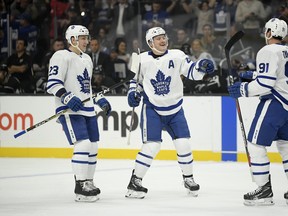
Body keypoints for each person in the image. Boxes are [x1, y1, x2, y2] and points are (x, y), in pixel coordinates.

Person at [125, 27, 215, 199]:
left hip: (175, 109)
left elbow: (192, 73)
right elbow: (134, 82)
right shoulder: (140, 59)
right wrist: (132, 93)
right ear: (150, 43)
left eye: (163, 37)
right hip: (152, 109)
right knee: (152, 146)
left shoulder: (178, 55)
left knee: (184, 145)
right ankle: (135, 181)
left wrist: (201, 67)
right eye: (157, 38)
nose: (162, 40)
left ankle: (188, 179)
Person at [46, 25, 111, 202]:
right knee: (82, 144)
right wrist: (66, 97)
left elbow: (87, 88)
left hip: (87, 109)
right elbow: (52, 84)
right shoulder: (60, 56)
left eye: (87, 38)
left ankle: (88, 182)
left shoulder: (88, 59)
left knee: (93, 146)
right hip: (69, 110)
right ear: (73, 39)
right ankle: (80, 185)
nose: (86, 41)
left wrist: (98, 99)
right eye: (83, 38)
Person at [227, 18, 288, 206]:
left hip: (274, 103)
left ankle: (264, 190)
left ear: (269, 33)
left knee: (254, 144)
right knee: (286, 147)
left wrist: (243, 89)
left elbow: (266, 84)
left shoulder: (267, 50)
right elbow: (278, 76)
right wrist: (251, 74)